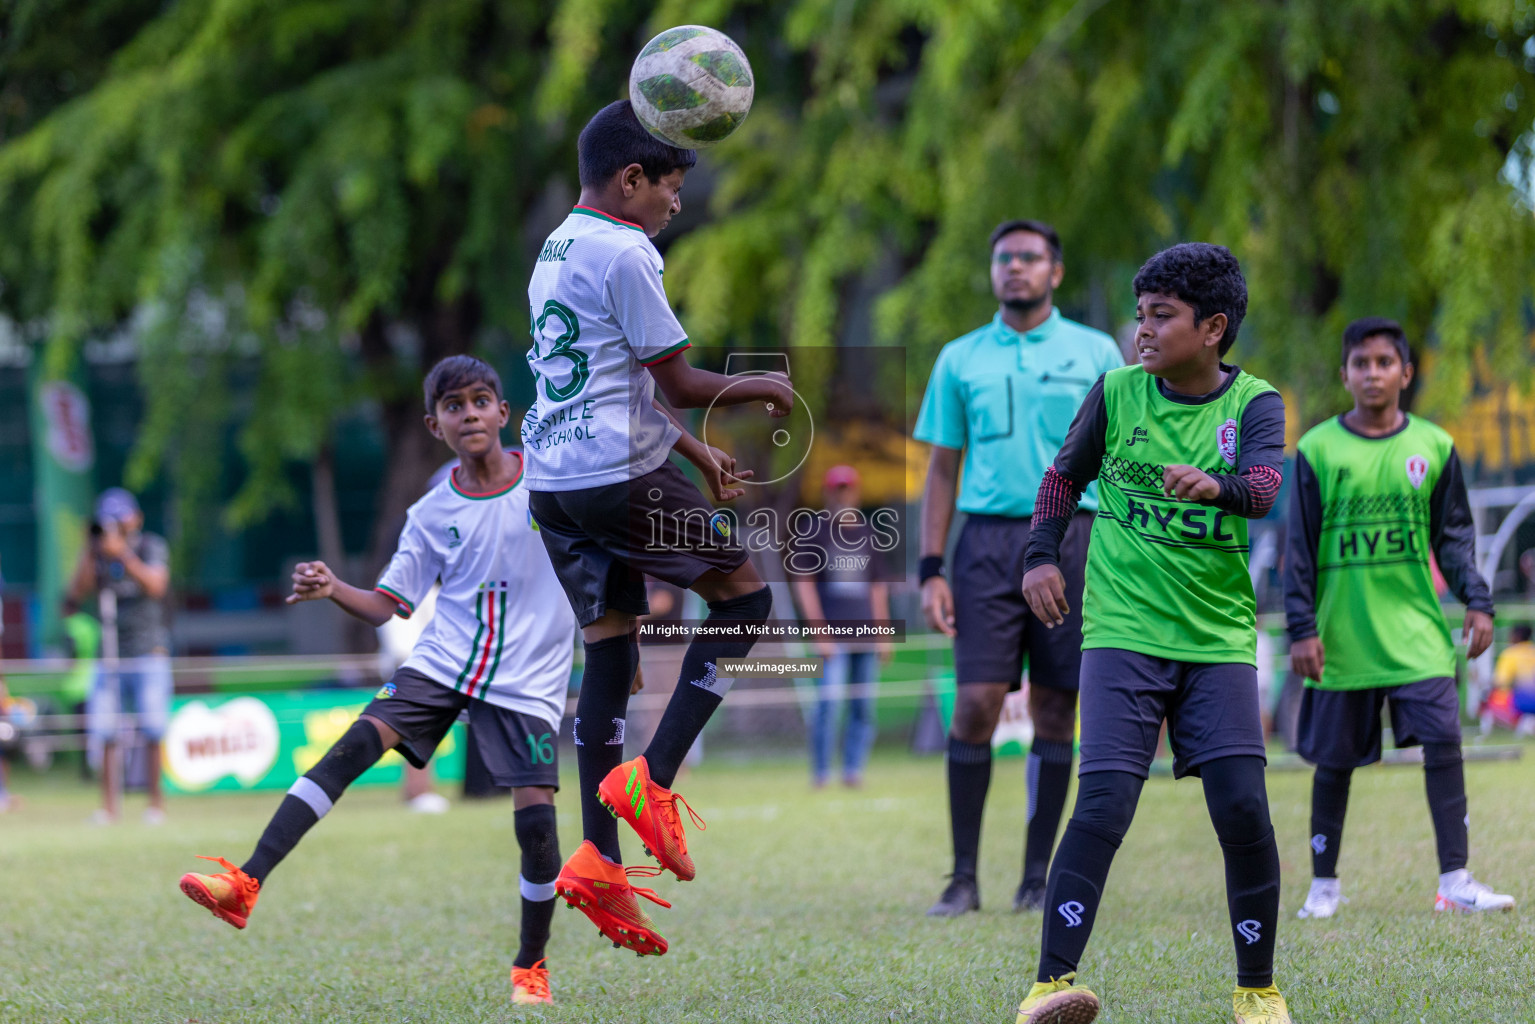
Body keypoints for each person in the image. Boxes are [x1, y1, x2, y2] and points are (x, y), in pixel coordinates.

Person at [178, 356, 577, 1005]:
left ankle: (530, 965)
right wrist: (336, 587)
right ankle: (245, 882)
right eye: (454, 406)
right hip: (444, 661)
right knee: (354, 745)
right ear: (434, 424)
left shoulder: (554, 483)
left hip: (528, 678)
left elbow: (601, 555)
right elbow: (391, 604)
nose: (469, 413)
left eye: (481, 400)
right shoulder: (429, 512)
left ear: (505, 414)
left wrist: (624, 639)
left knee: (536, 828)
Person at [522, 99, 791, 957]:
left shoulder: (555, 248)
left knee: (609, 652)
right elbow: (673, 382)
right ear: (631, 180)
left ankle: (598, 859)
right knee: (747, 605)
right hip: (616, 474)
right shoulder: (627, 249)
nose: (675, 203)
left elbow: (607, 376)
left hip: (555, 484)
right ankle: (653, 780)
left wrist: (692, 455)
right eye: (668, 186)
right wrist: (764, 389)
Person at [1014, 243, 1292, 1024]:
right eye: (1139, 314)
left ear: (1211, 327)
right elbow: (1061, 478)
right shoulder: (1114, 392)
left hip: (1216, 638)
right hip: (1122, 631)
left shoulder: (1256, 403)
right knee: (1100, 803)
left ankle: (1257, 989)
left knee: (1242, 808)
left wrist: (1221, 486)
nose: (1142, 330)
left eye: (1160, 316)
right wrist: (1040, 556)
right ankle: (1048, 985)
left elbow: (1266, 485)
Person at [912, 219, 1122, 916]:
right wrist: (931, 566)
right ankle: (961, 876)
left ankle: (1038, 877)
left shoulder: (1095, 351)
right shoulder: (959, 358)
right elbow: (941, 469)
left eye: (1030, 258)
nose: (1016, 268)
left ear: (1054, 272)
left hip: (1075, 539)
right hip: (987, 544)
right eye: (1004, 258)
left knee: (1055, 709)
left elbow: (1120, 460)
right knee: (975, 704)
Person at [1285, 317, 1513, 920]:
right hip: (1341, 638)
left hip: (1415, 633)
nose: (1373, 373)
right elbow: (1299, 552)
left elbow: (1454, 539)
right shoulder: (1315, 449)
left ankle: (1456, 881)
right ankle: (1324, 887)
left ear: (1405, 373)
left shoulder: (1434, 446)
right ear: (1345, 375)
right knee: (1334, 764)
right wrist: (1302, 628)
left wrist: (1479, 600)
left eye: (1385, 362)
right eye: (1361, 363)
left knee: (1443, 742)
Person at [68, 487, 171, 825]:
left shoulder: (150, 545)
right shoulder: (96, 554)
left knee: (153, 728)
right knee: (105, 730)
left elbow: (156, 586)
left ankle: (155, 805)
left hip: (148, 651)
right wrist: (91, 549)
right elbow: (75, 595)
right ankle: (109, 808)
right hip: (109, 655)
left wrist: (123, 555)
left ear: (135, 519)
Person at [790, 464, 891, 788]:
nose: (843, 495)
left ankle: (853, 771)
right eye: (838, 489)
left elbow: (877, 587)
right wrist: (820, 633)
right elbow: (803, 584)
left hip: (865, 636)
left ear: (857, 492)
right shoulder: (813, 530)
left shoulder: (868, 532)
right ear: (828, 492)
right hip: (832, 637)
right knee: (828, 707)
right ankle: (820, 774)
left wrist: (884, 633)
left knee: (863, 708)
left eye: (848, 488)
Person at [1487, 623, 1535, 733]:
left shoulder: (1510, 653)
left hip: (1521, 702)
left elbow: (1500, 682)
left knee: (1492, 698)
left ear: (1516, 636)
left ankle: (1519, 724)